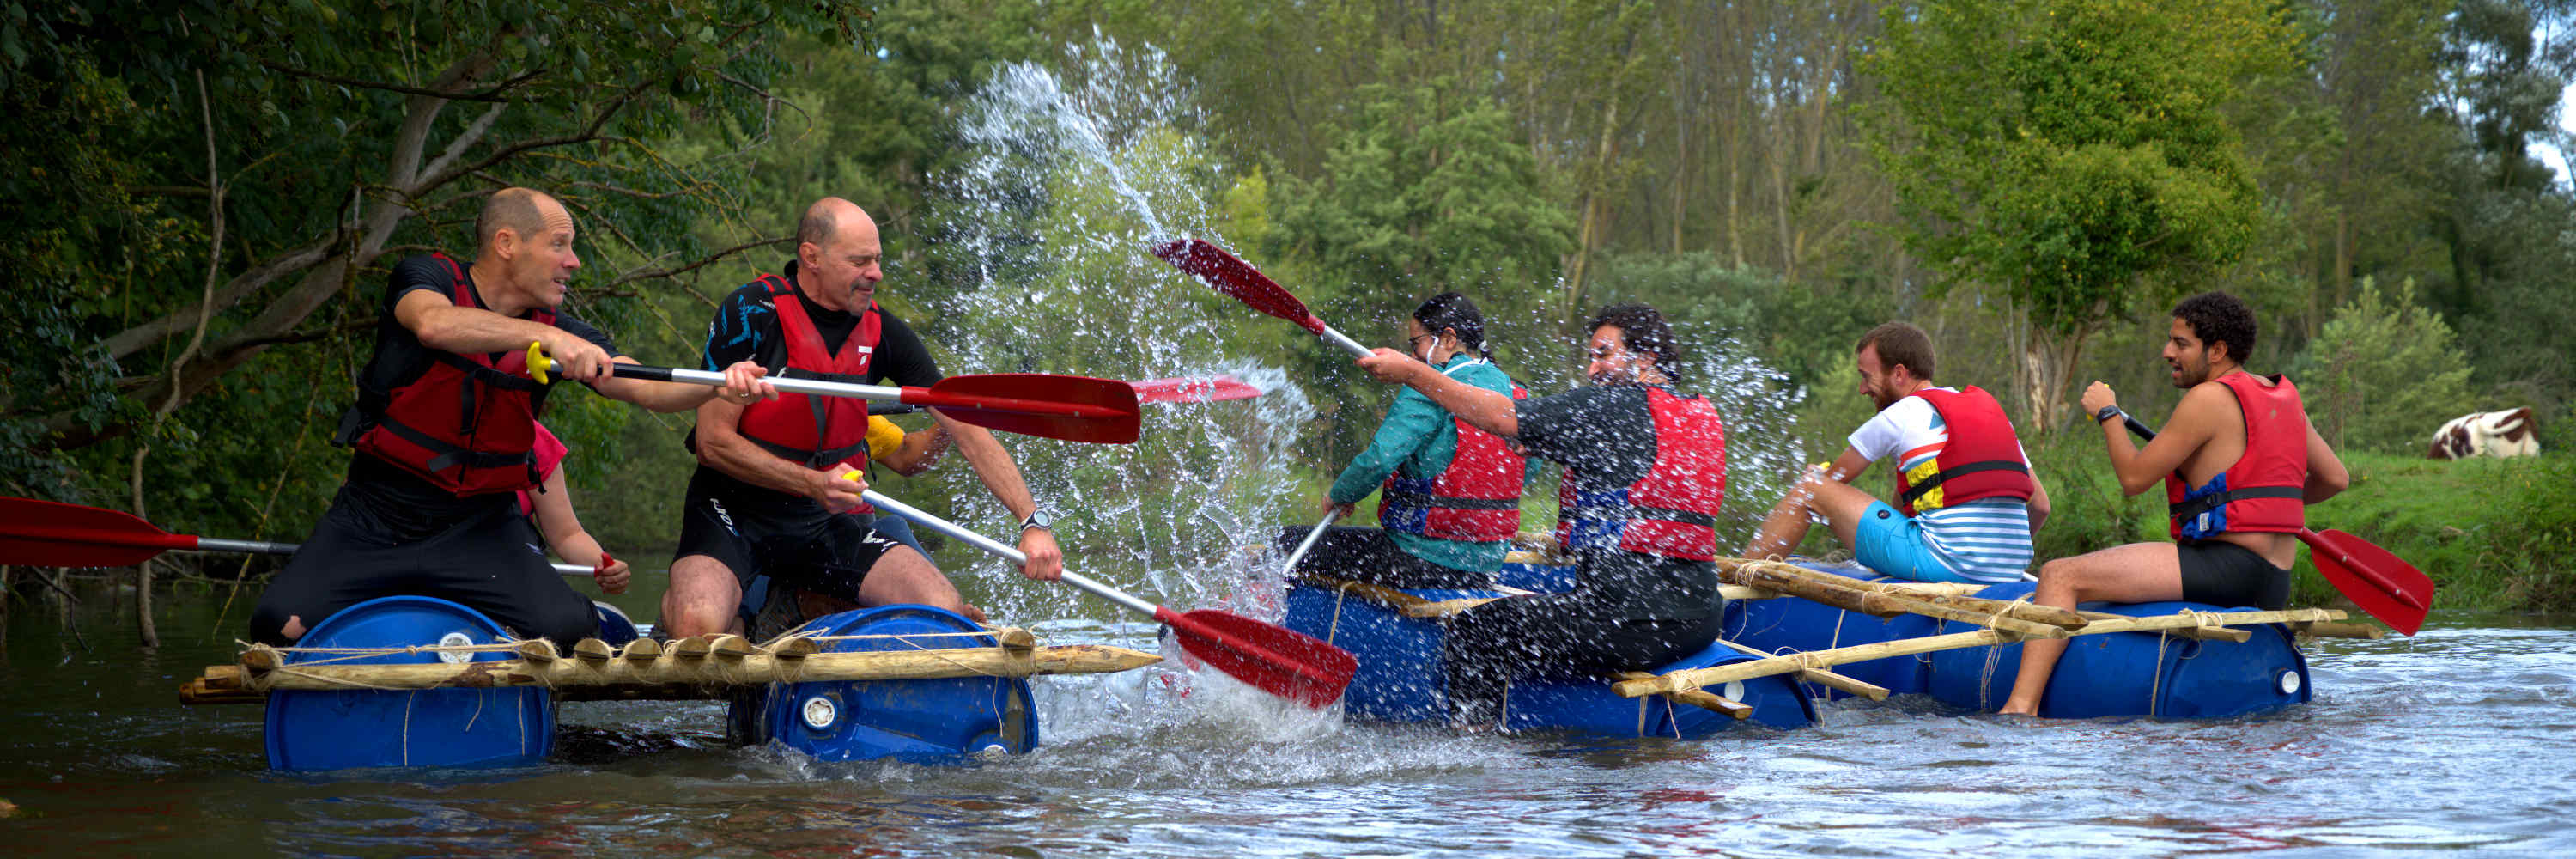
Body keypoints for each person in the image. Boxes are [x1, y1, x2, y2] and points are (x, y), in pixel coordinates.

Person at [249, 187, 771, 646]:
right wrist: (546, 338)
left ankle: (598, 623)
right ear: (506, 244)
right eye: (559, 245)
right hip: (377, 512)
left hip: (478, 524)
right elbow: (432, 325)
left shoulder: (562, 329)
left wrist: (719, 383)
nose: (574, 262)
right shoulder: (426, 277)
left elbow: (645, 389)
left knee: (567, 631)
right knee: (279, 624)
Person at [659, 197, 1063, 641]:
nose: (876, 273)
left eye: (877, 260)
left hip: (827, 520)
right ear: (811, 257)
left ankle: (800, 603)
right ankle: (724, 617)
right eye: (859, 261)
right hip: (734, 511)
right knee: (696, 627)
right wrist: (813, 482)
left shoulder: (885, 330)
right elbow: (713, 443)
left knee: (941, 611)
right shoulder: (751, 313)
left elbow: (966, 428)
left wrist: (1032, 523)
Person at [1357, 303, 1727, 730]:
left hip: (1635, 621)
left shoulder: (1616, 405)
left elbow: (1500, 416)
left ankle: (1472, 753)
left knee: (1478, 629)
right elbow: (1635, 467)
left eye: (1604, 355)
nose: (1593, 370)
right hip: (1700, 616)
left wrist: (1412, 373)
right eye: (1591, 357)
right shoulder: (1698, 410)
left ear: (1645, 359)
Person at [1999, 291, 2348, 716]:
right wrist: (2269, 504)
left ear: (2217, 351)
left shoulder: (2207, 399)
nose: (2168, 352)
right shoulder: (2284, 398)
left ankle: (2018, 710)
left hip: (2226, 567)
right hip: (2274, 578)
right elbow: (2335, 479)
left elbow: (2133, 479)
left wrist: (2108, 414)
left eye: (2181, 343)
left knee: (2059, 575)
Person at [1741, 321, 2051, 583]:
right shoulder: (1992, 414)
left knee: (1810, 488)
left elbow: (1831, 483)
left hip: (1944, 565)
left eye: (1867, 377)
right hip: (2009, 572)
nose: (1863, 389)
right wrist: (1997, 560)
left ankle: (1734, 586)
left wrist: (1816, 477)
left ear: (1899, 374)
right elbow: (2041, 506)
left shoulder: (1900, 414)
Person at [1292, 293, 1527, 589]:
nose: (1414, 356)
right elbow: (1524, 474)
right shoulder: (1518, 394)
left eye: (1416, 344)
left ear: (1449, 339)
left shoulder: (1430, 385)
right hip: (1484, 566)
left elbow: (1379, 459)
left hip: (1419, 558)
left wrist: (1341, 494)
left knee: (1285, 542)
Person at [518, 423, 632, 594]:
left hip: (515, 570)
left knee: (576, 619)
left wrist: (604, 567)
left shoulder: (531, 438)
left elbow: (566, 535)